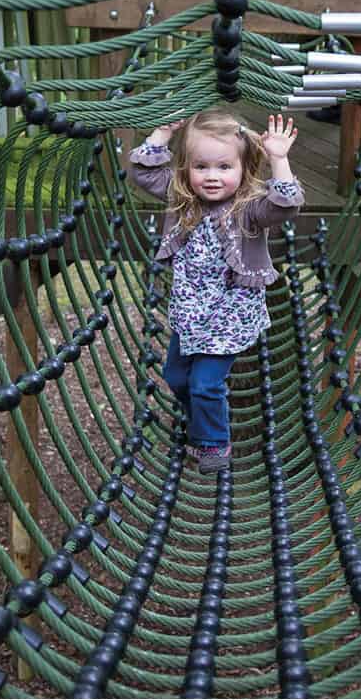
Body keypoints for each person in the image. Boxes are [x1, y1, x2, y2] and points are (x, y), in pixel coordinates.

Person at [127, 110, 305, 473]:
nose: (211, 176)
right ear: (185, 169)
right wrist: (162, 132)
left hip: (229, 313)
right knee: (177, 377)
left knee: (205, 383)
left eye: (224, 167)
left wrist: (279, 159)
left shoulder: (249, 208)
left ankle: (214, 444)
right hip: (191, 311)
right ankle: (201, 425)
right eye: (201, 166)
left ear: (243, 169)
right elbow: (142, 171)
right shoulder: (183, 199)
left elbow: (286, 204)